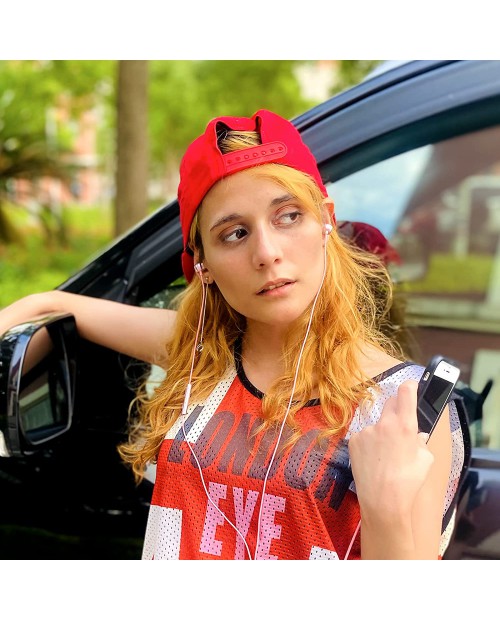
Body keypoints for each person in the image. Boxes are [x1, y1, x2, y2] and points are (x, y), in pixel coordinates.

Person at [0, 109, 469, 560]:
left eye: (289, 216)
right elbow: (63, 307)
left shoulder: (404, 409)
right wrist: (30, 308)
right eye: (235, 233)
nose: (267, 252)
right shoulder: (201, 353)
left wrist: (387, 509)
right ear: (202, 262)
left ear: (325, 219)